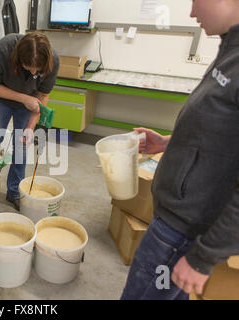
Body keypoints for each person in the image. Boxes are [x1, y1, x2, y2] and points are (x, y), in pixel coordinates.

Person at [121, 0, 239, 300]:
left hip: (182, 232)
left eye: (195, 1)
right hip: (175, 223)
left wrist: (203, 258)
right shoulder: (231, 48)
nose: (191, 13)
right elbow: (220, 134)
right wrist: (168, 143)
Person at [0, 32, 60, 211]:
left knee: (22, 145)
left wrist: (30, 126)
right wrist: (24, 98)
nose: (34, 72)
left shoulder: (52, 60)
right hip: (0, 98)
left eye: (38, 69)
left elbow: (42, 95)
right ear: (18, 58)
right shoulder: (3, 49)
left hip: (30, 103)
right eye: (29, 67)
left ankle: (14, 192)